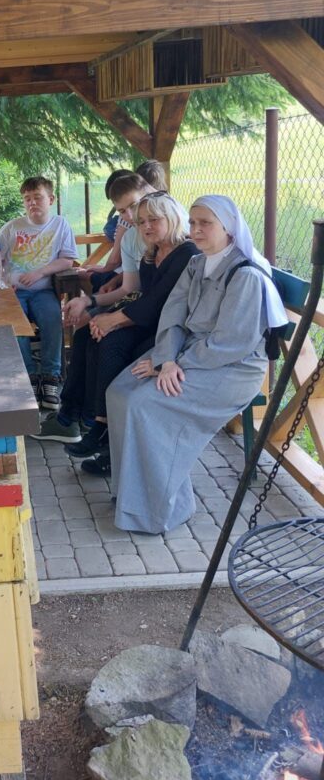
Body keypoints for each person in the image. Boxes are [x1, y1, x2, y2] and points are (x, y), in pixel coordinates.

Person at [106, 195, 287, 535]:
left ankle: (161, 510)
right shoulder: (196, 264)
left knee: (145, 404)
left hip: (231, 370)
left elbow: (229, 344)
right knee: (119, 391)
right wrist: (165, 359)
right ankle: (132, 496)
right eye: (192, 223)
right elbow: (173, 316)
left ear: (229, 228)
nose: (196, 230)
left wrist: (172, 366)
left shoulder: (245, 275)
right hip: (187, 355)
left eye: (206, 223)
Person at [34, 193, 198, 476]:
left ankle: (106, 435)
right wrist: (103, 316)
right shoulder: (152, 253)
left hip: (175, 329)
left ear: (172, 219)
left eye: (154, 220)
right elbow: (143, 296)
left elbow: (158, 301)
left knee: (111, 342)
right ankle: (96, 423)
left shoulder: (186, 252)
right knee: (92, 334)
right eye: (142, 221)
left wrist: (115, 319)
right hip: (150, 320)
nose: (146, 226)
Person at [0, 176, 78, 411]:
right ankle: (29, 375)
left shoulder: (60, 225)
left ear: (50, 199)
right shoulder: (12, 227)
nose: (32, 203)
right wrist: (1, 281)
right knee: (15, 324)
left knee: (53, 318)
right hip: (14, 292)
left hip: (43, 291)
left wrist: (40, 273)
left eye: (38, 197)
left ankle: (51, 376)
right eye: (27, 199)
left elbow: (67, 259)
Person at [64, 173, 156, 327]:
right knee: (88, 330)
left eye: (134, 205)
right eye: (122, 211)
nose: (131, 215)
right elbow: (130, 287)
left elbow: (114, 262)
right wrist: (87, 300)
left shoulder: (168, 232)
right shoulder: (130, 236)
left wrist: (114, 319)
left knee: (97, 329)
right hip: (134, 296)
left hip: (156, 309)